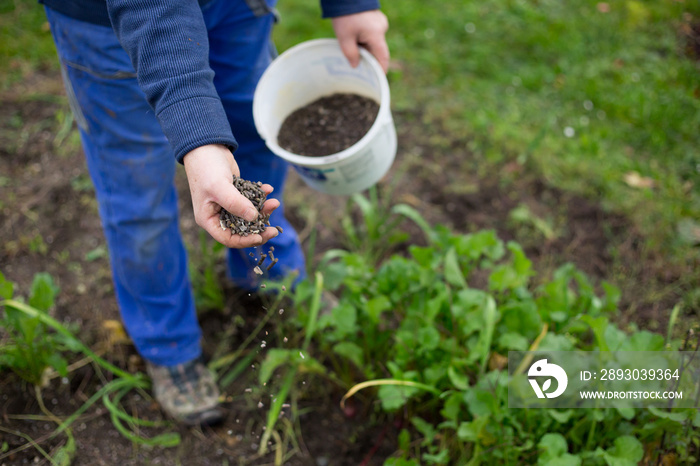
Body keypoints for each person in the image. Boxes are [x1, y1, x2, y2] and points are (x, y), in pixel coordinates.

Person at [40, 0, 389, 426]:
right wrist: (198, 135)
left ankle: (264, 271)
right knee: (137, 194)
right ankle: (168, 345)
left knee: (257, 133)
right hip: (111, 21)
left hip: (236, 6)